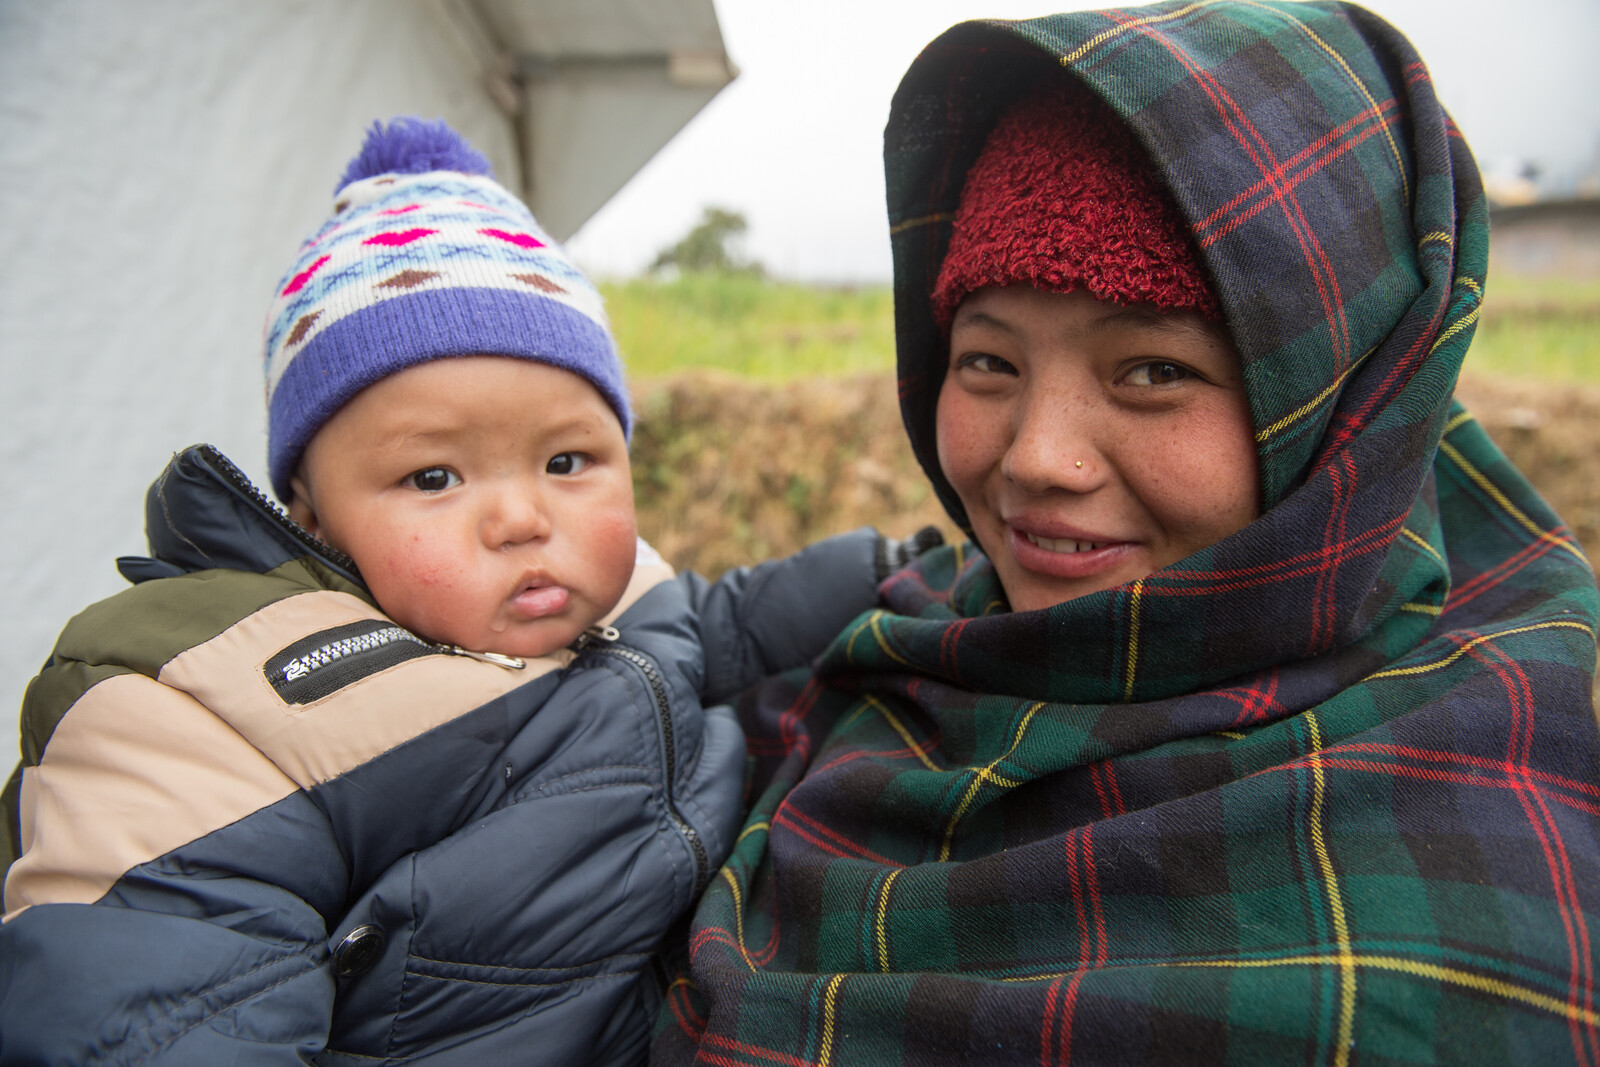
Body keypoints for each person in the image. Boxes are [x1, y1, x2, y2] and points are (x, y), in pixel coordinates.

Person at [653, 3, 1600, 1064]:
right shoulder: (892, 650)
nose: (1034, 458)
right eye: (988, 362)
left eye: (1154, 370)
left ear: (1344, 397)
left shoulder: (1472, 882)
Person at [0, 119, 934, 1064]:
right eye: (436, 478)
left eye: (567, 460)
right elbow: (152, 1012)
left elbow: (734, 616)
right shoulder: (212, 703)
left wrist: (911, 564)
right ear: (311, 516)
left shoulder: (625, 600)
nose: (524, 518)